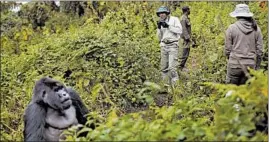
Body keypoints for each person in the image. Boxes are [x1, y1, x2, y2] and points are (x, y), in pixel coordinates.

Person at [225, 4, 263, 85]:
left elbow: (227, 49)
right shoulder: (256, 29)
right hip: (250, 66)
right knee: (245, 93)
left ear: (237, 16)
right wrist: (257, 67)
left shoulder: (232, 28)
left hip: (234, 65)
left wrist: (231, 60)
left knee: (231, 93)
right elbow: (260, 51)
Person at [156, 6, 182, 86]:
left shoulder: (174, 19)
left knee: (172, 68)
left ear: (167, 13)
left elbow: (180, 31)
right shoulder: (160, 22)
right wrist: (159, 28)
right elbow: (159, 38)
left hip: (173, 45)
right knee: (164, 68)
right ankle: (166, 86)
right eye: (160, 13)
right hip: (164, 45)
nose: (162, 15)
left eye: (163, 13)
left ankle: (175, 86)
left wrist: (168, 26)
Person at [179, 6, 192, 71]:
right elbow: (184, 30)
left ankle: (182, 66)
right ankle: (180, 67)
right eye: (189, 9)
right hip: (184, 39)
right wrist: (188, 38)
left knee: (186, 53)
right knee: (184, 53)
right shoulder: (183, 19)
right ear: (187, 10)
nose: (190, 11)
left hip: (186, 39)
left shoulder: (186, 18)